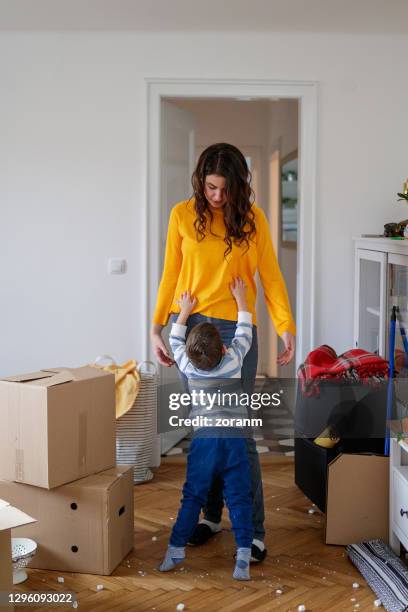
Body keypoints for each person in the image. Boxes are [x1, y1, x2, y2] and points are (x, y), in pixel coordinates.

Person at [151, 142, 296, 562]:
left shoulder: (253, 219)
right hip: (192, 328)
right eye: (211, 187)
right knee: (206, 427)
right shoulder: (181, 215)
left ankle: (253, 532)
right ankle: (211, 518)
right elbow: (170, 274)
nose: (216, 196)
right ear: (201, 182)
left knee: (237, 432)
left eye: (224, 188)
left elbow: (270, 276)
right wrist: (157, 326)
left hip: (237, 333)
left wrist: (286, 326)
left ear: (239, 185)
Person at [159, 279, 254, 581]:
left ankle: (175, 550)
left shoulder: (187, 366)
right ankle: (242, 556)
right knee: (239, 496)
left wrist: (184, 311)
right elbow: (245, 332)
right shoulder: (234, 361)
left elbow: (174, 338)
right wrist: (240, 299)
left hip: (204, 444)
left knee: (193, 496)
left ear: (189, 353)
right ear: (224, 348)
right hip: (235, 441)